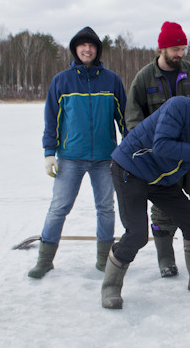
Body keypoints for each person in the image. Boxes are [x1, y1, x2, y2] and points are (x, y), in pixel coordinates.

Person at [101, 93, 190, 309]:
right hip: (130, 170)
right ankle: (111, 286)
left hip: (160, 179)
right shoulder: (181, 107)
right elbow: (162, 145)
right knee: (137, 234)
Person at [126, 21, 190, 278]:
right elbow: (133, 119)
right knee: (164, 210)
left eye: (183, 48)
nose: (180, 53)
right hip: (162, 156)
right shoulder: (144, 78)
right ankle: (165, 258)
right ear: (162, 49)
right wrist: (148, 150)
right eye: (175, 49)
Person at [28, 26, 127, 279]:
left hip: (106, 157)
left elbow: (124, 119)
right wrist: (49, 152)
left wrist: (128, 150)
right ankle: (45, 260)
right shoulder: (62, 81)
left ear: (97, 50)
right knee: (59, 207)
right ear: (75, 49)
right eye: (82, 45)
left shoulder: (112, 80)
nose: (87, 49)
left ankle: (105, 260)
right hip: (70, 156)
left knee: (106, 208)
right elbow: (52, 119)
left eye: (92, 45)